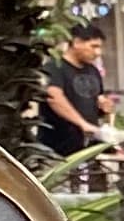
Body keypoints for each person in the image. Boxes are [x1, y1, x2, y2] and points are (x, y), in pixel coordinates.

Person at [37, 20, 112, 158]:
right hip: (57, 150)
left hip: (87, 150)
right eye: (93, 46)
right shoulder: (54, 68)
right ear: (76, 42)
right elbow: (54, 98)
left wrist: (104, 105)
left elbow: (98, 98)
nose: (98, 52)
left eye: (100, 47)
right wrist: (83, 124)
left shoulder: (93, 71)